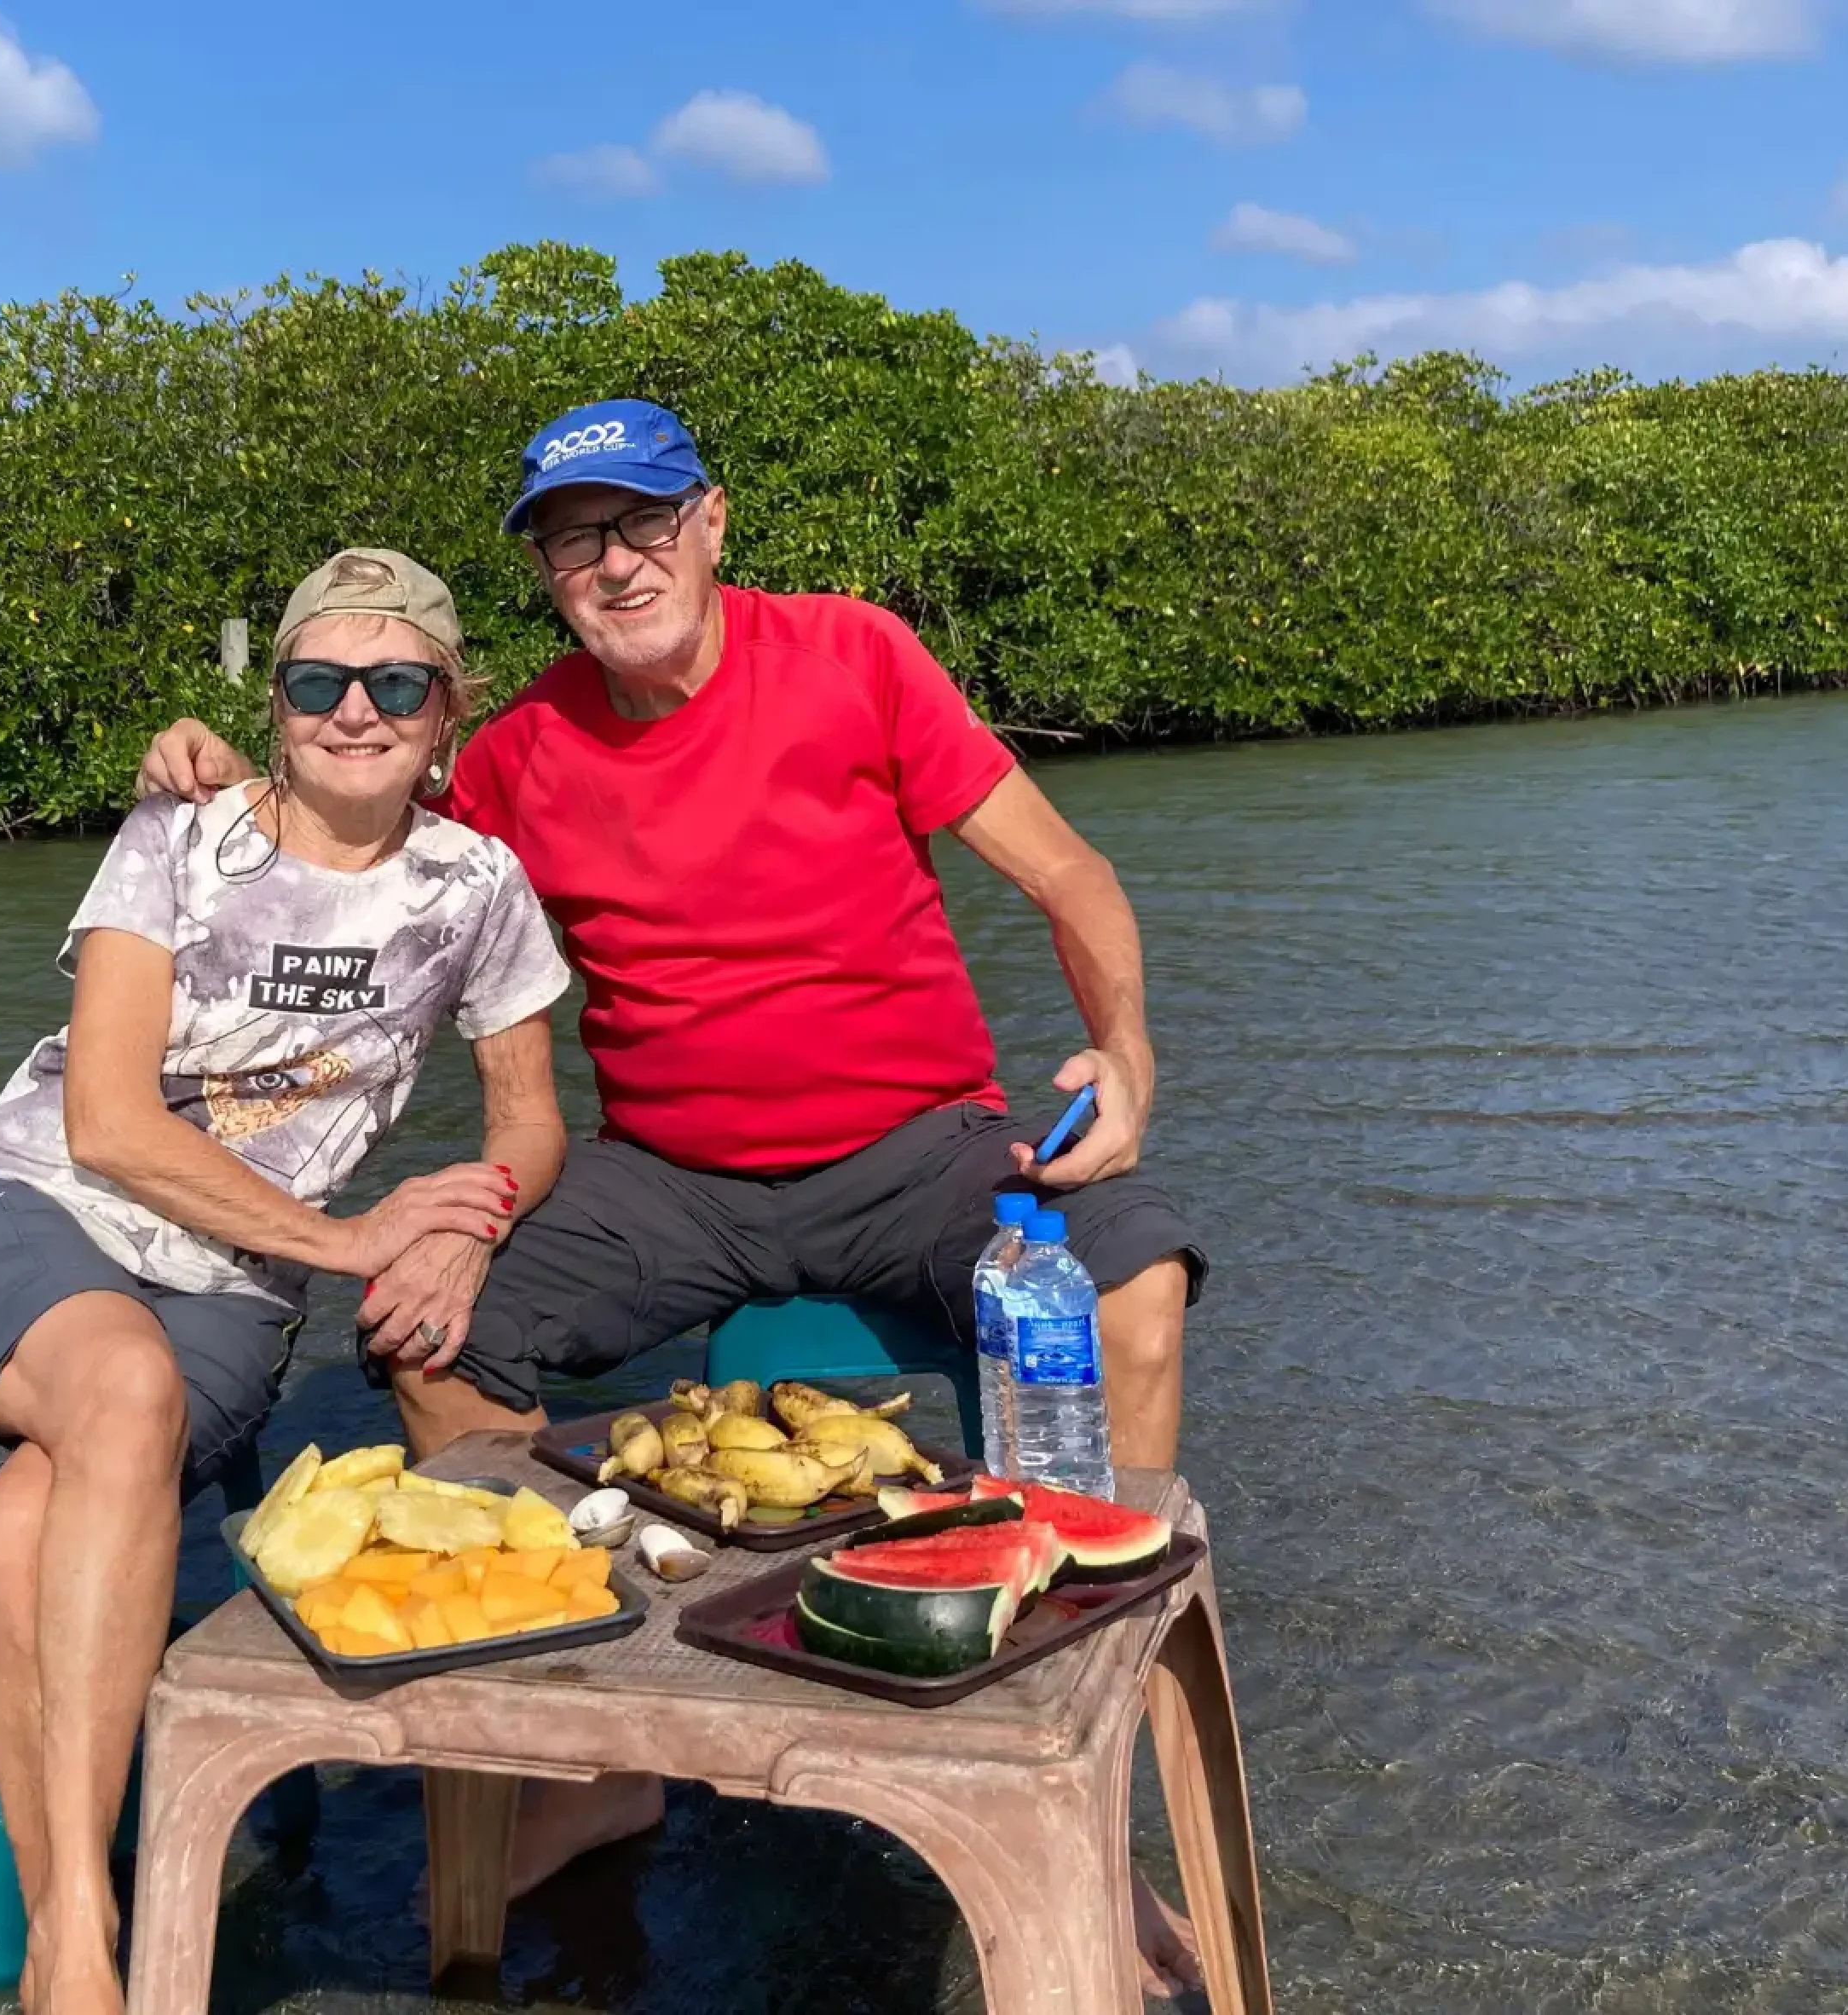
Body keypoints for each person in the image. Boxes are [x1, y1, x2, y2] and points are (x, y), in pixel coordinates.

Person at [140, 405, 1208, 1995]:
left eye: (641, 521)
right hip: (672, 1174)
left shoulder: (854, 655)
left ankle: (1074, 1792)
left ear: (711, 521)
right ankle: (586, 1759)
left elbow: (1070, 877)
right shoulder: (517, 754)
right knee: (429, 1339)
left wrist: (1123, 1056)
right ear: (547, 576)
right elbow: (352, 833)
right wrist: (227, 779)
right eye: (576, 539)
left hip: (915, 1142)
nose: (616, 561)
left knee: (1134, 1285)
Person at [0, 549, 569, 2015]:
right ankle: (86, 1943)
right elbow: (108, 1126)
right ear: (275, 705)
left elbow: (528, 1116)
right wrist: (351, 1241)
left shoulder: (478, 885)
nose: (355, 711)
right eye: (319, 680)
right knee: (122, 1391)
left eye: (395, 682)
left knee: (27, 1519)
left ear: (448, 709)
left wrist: (468, 1223)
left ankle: (58, 1921)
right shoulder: (180, 833)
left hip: (228, 1282)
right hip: (29, 1207)